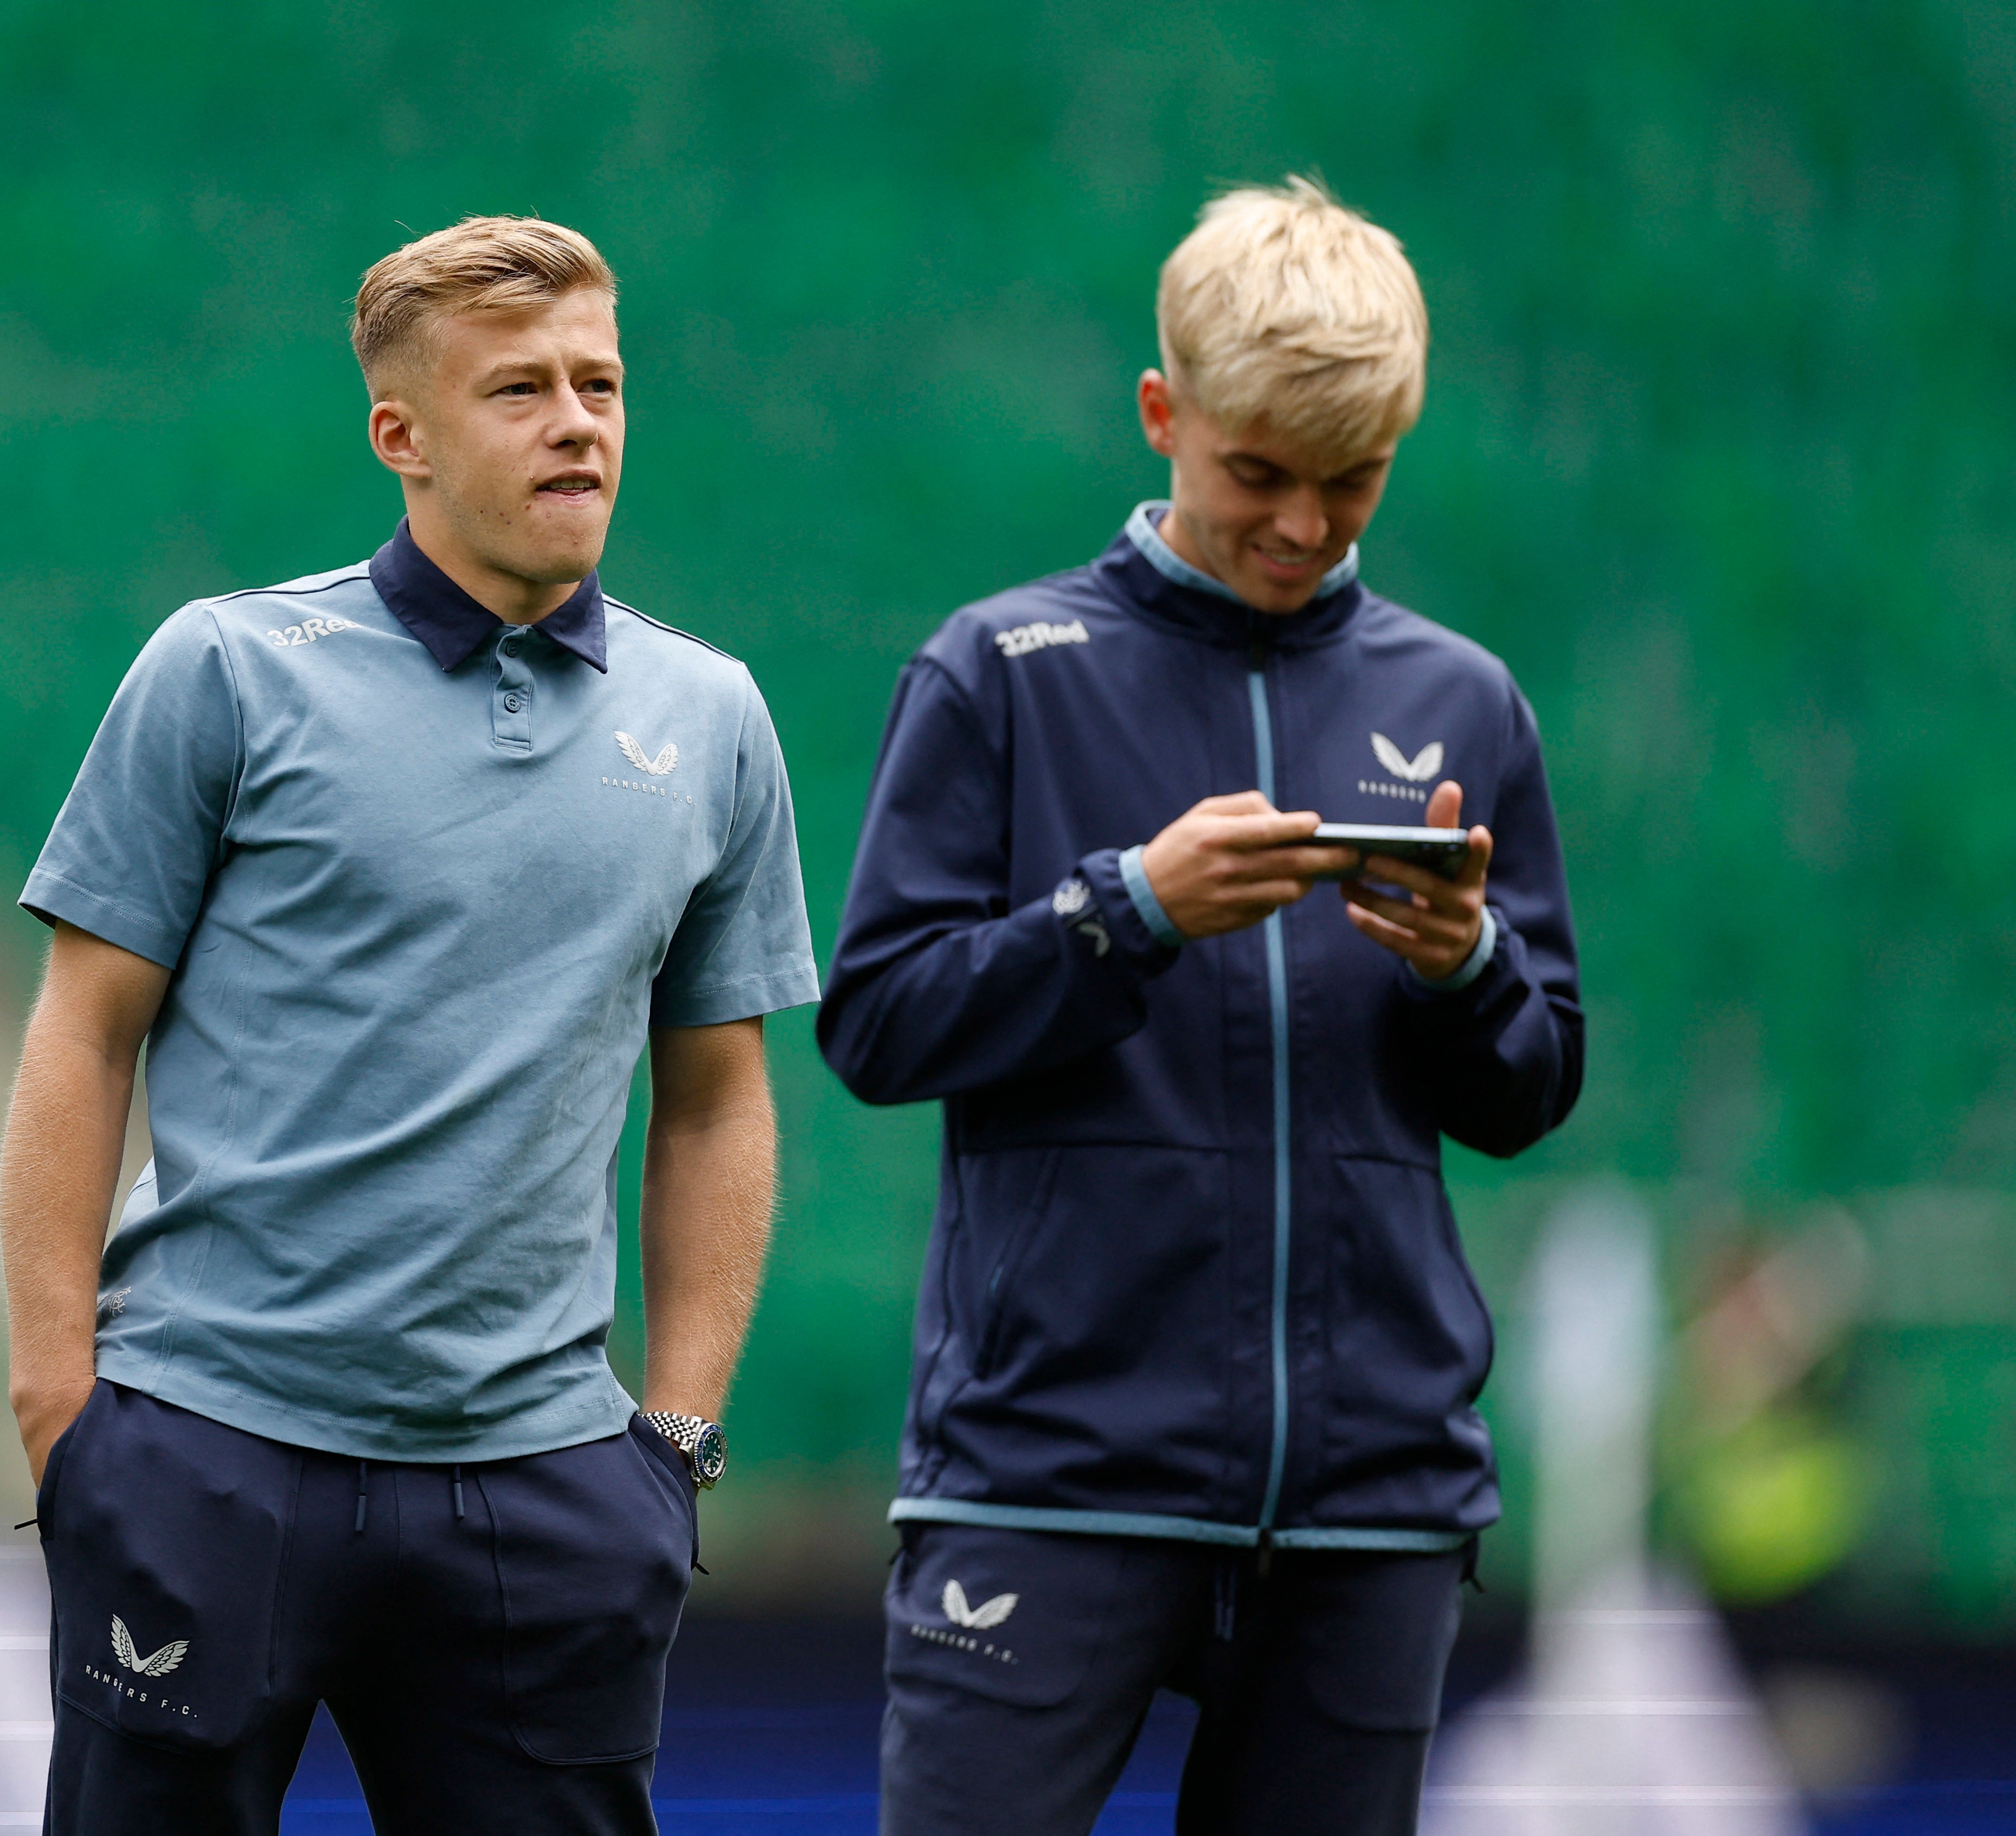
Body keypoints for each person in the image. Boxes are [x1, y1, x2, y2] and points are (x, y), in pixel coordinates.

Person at [0, 215, 819, 1836]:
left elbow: (718, 1093)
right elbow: (82, 1036)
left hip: (548, 1481)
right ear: (403, 436)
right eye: (520, 388)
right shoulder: (227, 670)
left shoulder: (709, 715)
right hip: (211, 1451)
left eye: (601, 382)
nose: (578, 420)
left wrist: (677, 1439)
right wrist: (61, 1411)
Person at [818, 178, 1583, 1836]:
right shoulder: (1002, 667)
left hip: (1372, 1507)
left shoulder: (1462, 699)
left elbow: (1531, 1085)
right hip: (1045, 1481)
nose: (1303, 523)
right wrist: (1125, 912)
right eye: (1257, 474)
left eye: (1352, 478)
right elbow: (875, 1021)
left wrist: (1462, 962)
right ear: (1162, 413)